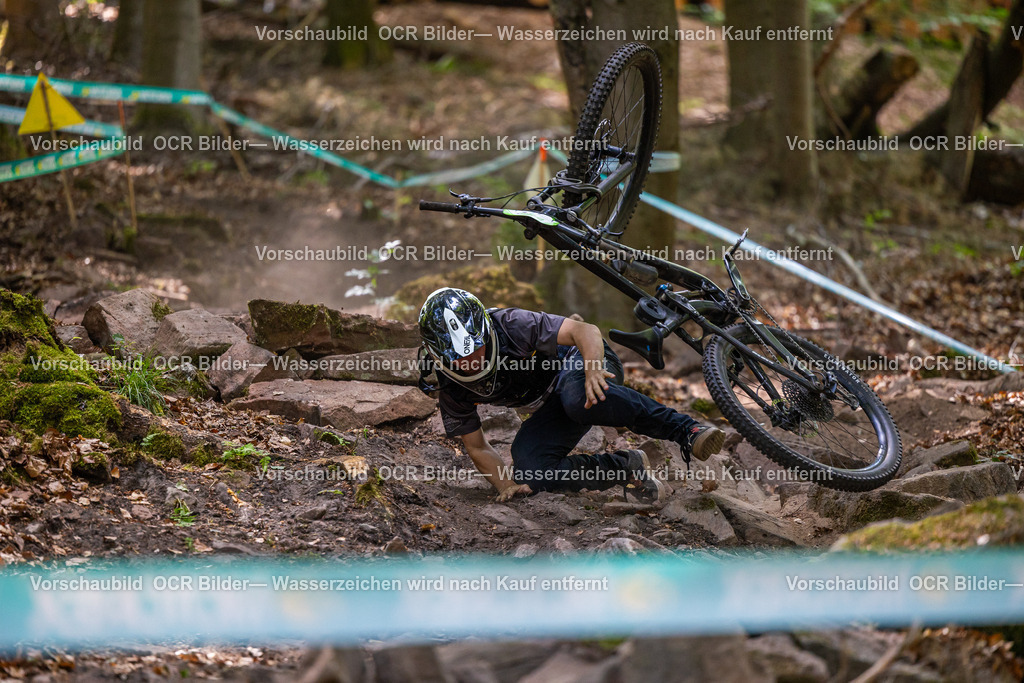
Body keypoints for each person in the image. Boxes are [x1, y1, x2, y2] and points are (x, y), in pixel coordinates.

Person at [417, 287, 726, 503]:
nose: (471, 361)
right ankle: (625, 467)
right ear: (438, 355)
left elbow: (587, 331)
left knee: (577, 397)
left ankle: (688, 430)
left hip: (584, 361)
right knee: (530, 471)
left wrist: (592, 369)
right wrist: (507, 485)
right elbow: (477, 445)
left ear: (485, 330)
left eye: (478, 349)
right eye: (459, 358)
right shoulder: (450, 385)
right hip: (554, 400)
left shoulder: (510, 324)